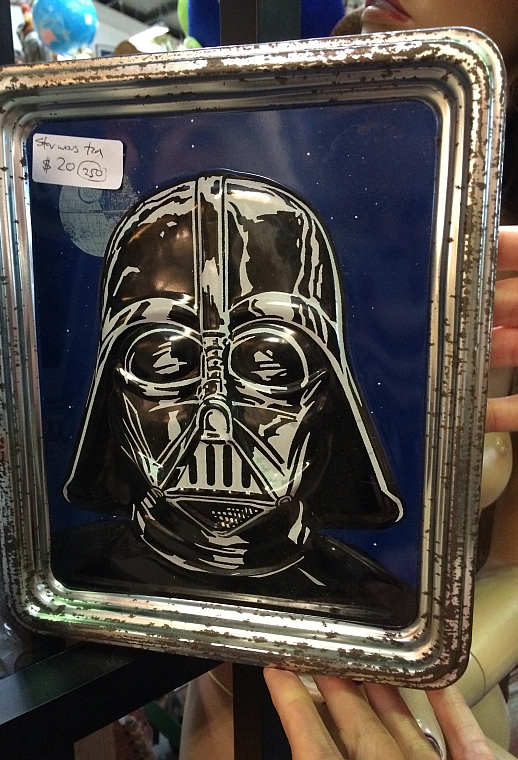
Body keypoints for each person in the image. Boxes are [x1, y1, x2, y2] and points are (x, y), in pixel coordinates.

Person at [181, 2, 518, 759]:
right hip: (233, 710)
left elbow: (515, 568)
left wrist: (424, 680)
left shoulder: (499, 285)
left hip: (426, 723)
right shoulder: (252, 196)